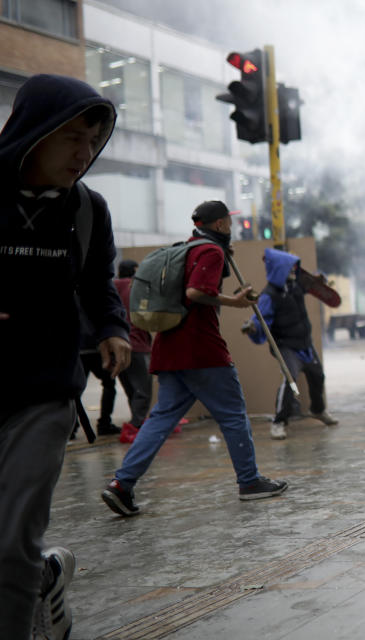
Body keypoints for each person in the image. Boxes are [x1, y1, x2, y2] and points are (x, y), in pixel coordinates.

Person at [0, 74, 131, 640]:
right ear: (35, 133)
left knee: (10, 546)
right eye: (71, 137)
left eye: (92, 140)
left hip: (45, 392)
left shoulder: (86, 210)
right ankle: (48, 575)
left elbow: (97, 284)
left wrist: (111, 328)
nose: (84, 153)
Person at [101, 201, 289, 517]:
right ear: (218, 225)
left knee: (160, 418)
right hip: (202, 349)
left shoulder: (188, 249)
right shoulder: (210, 252)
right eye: (228, 222)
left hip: (170, 346)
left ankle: (122, 485)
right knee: (232, 414)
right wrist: (236, 301)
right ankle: (249, 482)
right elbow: (195, 292)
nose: (231, 226)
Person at [242, 248, 338, 440]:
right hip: (286, 346)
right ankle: (279, 422)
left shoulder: (295, 285)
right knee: (290, 382)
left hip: (304, 344)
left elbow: (314, 285)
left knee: (318, 376)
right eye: (290, 268)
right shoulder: (270, 295)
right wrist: (253, 327)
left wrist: (321, 280)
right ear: (280, 269)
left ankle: (318, 410)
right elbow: (261, 319)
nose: (294, 271)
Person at [113, 259, 154, 437]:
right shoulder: (135, 287)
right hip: (137, 344)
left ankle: (134, 424)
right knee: (143, 390)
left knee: (131, 388)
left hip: (115, 344)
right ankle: (137, 428)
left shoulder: (111, 287)